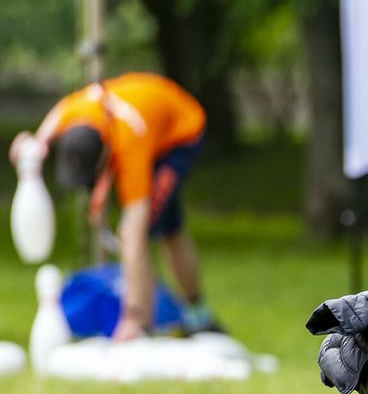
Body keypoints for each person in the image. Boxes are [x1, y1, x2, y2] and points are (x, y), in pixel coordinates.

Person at [8, 72, 219, 340]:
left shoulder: (131, 147)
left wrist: (131, 318)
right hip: (150, 114)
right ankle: (196, 316)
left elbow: (135, 227)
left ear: (107, 154)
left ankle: (141, 322)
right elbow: (59, 112)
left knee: (135, 234)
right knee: (168, 229)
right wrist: (38, 142)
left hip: (182, 132)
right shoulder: (76, 113)